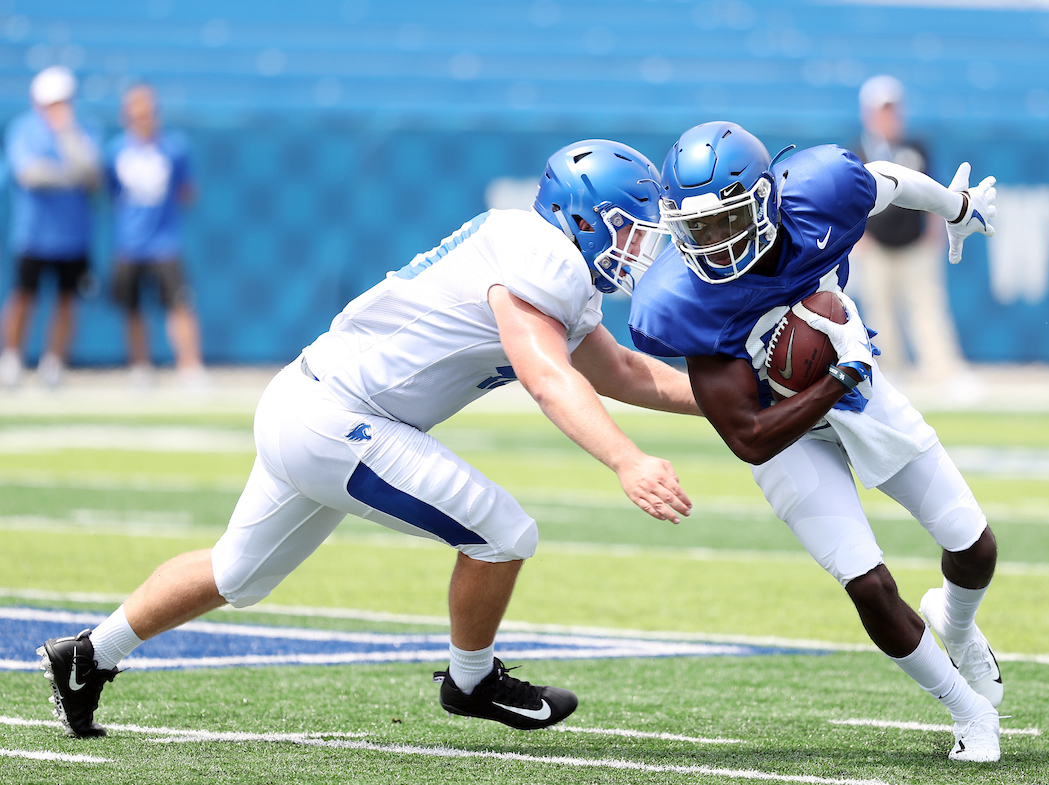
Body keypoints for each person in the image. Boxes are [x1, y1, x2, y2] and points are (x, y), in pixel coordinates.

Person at [38, 139, 700, 738]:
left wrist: (732, 405)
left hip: (305, 402)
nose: (640, 247)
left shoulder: (545, 259)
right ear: (581, 217)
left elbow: (620, 371)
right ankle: (471, 681)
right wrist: (626, 458)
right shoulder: (544, 256)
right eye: (631, 228)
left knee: (235, 572)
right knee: (503, 534)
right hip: (340, 419)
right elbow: (548, 378)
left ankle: (89, 655)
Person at [629, 122, 1003, 763]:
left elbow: (890, 183)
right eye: (698, 229)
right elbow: (749, 437)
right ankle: (968, 712)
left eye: (727, 220)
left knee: (974, 546)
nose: (714, 243)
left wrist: (956, 207)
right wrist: (839, 377)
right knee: (868, 584)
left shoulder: (821, 191)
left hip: (854, 388)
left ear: (765, 198)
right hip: (784, 428)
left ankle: (959, 625)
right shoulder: (680, 300)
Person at [851, 75, 970, 390]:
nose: (890, 118)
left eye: (894, 110)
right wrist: (860, 239)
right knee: (880, 313)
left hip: (914, 244)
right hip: (876, 246)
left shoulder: (915, 148)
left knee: (928, 309)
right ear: (869, 114)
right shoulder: (857, 153)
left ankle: (943, 371)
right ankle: (890, 372)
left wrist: (934, 229)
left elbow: (933, 191)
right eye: (884, 111)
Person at [0, 66, 102, 389]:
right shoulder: (23, 128)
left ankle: (54, 363)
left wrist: (67, 134)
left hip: (73, 235)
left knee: (66, 300)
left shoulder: (84, 129)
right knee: (23, 297)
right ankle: (11, 359)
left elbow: (90, 172)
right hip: (33, 233)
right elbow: (28, 173)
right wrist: (68, 176)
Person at [107, 84, 206, 389]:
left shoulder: (174, 147)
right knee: (133, 309)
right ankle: (140, 367)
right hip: (129, 243)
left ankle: (189, 367)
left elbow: (187, 190)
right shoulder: (116, 151)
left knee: (179, 305)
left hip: (165, 243)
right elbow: (112, 193)